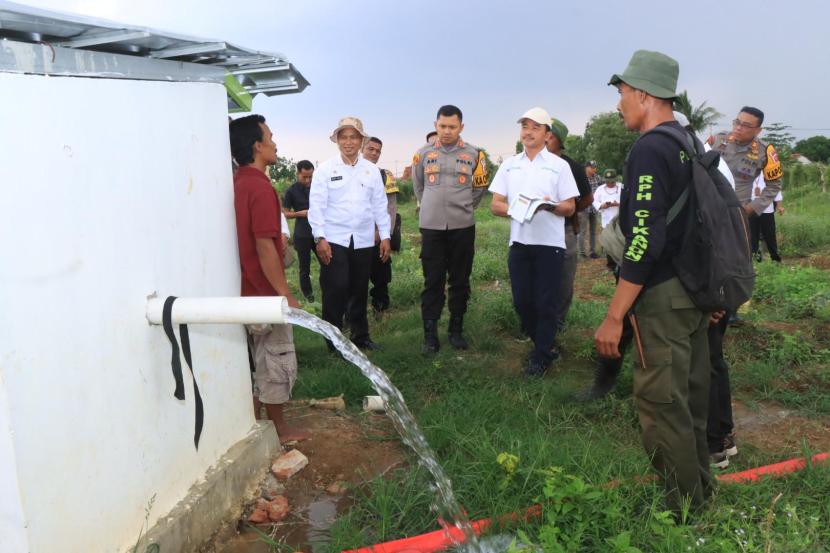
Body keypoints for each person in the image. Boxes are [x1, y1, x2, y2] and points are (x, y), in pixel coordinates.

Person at [595, 50, 713, 515]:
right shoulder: (687, 142)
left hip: (662, 298)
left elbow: (644, 238)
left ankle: (683, 513)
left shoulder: (650, 148)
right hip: (692, 294)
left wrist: (614, 314)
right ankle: (701, 491)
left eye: (623, 93)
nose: (620, 103)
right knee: (689, 403)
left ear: (644, 95)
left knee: (662, 406)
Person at [229, 114, 307, 443]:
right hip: (263, 293)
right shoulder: (260, 187)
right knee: (276, 360)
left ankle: (258, 423)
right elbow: (264, 247)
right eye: (270, 138)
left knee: (260, 360)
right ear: (257, 146)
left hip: (247, 290)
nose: (275, 144)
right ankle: (281, 430)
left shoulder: (238, 181)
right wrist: (284, 295)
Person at [489, 107, 578, 377]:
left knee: (546, 301)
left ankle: (541, 356)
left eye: (535, 127)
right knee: (522, 301)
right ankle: (544, 343)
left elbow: (570, 206)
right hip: (520, 243)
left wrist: (548, 206)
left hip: (549, 244)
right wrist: (515, 210)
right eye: (525, 126)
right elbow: (495, 204)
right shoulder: (510, 164)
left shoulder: (558, 166)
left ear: (547, 134)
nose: (528, 132)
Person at [308, 117, 391, 351]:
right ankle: (334, 342)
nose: (348, 142)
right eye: (343, 137)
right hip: (334, 239)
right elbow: (317, 207)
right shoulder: (325, 170)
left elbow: (379, 205)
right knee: (335, 289)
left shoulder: (372, 171)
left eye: (353, 137)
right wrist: (319, 238)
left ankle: (360, 336)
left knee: (359, 288)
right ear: (337, 141)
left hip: (364, 239)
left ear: (361, 140)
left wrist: (384, 236)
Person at [412, 105, 488, 353]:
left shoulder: (475, 154)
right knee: (432, 280)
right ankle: (430, 335)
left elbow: (479, 189)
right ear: (436, 125)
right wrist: (430, 207)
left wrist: (464, 206)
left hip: (462, 226)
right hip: (431, 227)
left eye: (452, 127)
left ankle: (456, 330)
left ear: (461, 128)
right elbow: (419, 187)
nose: (446, 131)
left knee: (460, 280)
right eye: (442, 126)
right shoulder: (421, 154)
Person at [545, 118, 593, 337]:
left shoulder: (571, 167)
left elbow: (588, 197)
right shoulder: (532, 164)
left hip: (564, 231)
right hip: (536, 231)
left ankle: (558, 323)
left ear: (558, 140)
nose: (545, 138)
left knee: (563, 281)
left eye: (549, 135)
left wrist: (571, 211)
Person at [362, 136, 399, 312]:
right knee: (353, 280)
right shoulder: (345, 172)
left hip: (378, 237)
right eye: (371, 149)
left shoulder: (386, 175)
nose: (374, 153)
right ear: (361, 149)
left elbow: (391, 208)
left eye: (378, 151)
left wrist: (383, 234)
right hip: (353, 238)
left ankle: (381, 311)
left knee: (381, 277)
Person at [283, 160, 317, 301]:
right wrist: (299, 213)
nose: (308, 180)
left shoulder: (318, 187)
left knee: (328, 263)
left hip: (319, 232)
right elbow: (284, 213)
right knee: (304, 267)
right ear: (298, 174)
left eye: (310, 176)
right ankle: (308, 296)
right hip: (302, 234)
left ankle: (329, 290)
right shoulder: (291, 191)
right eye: (305, 177)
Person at [749, 173, 783, 262]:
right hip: (751, 208)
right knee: (752, 235)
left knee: (770, 234)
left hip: (767, 208)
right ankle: (755, 258)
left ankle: (775, 259)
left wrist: (779, 206)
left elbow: (776, 190)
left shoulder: (769, 173)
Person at [579, 161, 602, 258]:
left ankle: (592, 251)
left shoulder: (598, 178)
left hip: (594, 207)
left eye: (595, 167)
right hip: (584, 207)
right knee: (582, 231)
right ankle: (582, 252)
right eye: (592, 167)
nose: (594, 169)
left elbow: (603, 189)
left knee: (593, 230)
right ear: (587, 167)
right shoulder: (580, 178)